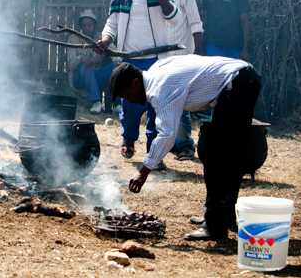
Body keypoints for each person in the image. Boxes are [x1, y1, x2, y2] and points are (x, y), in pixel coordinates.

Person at [109, 55, 261, 241]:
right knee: (226, 151)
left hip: (237, 82)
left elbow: (167, 135)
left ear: (135, 83)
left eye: (127, 96)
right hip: (241, 77)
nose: (130, 101)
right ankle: (223, 216)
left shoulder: (160, 89)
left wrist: (144, 171)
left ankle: (215, 226)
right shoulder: (156, 71)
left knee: (215, 152)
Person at [97, 0, 183, 167]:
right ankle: (128, 142)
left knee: (157, 108)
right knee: (131, 106)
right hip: (130, 63)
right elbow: (112, 25)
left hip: (157, 61)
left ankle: (155, 152)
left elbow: (175, 19)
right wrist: (106, 40)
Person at [151, 0, 203, 160]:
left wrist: (197, 53)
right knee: (159, 103)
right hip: (158, 57)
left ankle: (184, 146)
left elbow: (196, 24)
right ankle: (165, 143)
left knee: (180, 102)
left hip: (181, 57)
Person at [67, 9, 117, 114]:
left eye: (89, 25)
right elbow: (71, 65)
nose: (86, 28)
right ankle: (96, 102)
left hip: (97, 77)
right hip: (80, 79)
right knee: (86, 66)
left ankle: (118, 104)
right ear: (80, 26)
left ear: (95, 25)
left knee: (116, 68)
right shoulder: (73, 39)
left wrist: (119, 62)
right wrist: (81, 58)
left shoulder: (102, 38)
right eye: (83, 25)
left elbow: (115, 53)